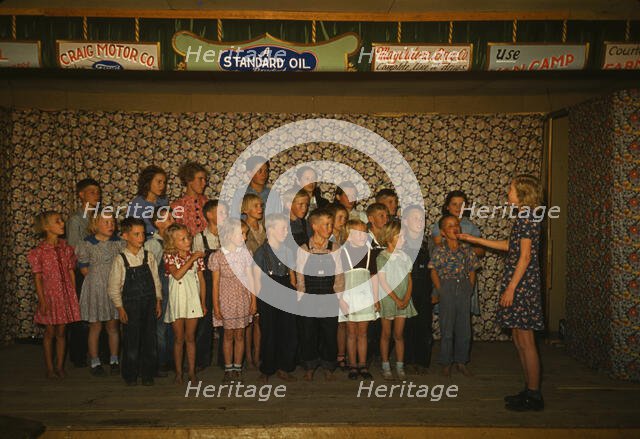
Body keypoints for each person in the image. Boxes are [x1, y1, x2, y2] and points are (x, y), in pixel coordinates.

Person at [458, 175, 545, 412]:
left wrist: (511, 288)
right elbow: (511, 247)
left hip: (522, 285)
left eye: (512, 188)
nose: (508, 192)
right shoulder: (524, 216)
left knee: (526, 341)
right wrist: (474, 239)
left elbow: (525, 257)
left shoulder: (527, 217)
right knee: (519, 339)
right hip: (520, 282)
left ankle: (534, 394)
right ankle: (529, 389)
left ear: (523, 193)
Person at [107, 218, 163, 386]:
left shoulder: (149, 256)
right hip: (130, 306)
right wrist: (120, 308)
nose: (141, 238)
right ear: (125, 236)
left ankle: (148, 374)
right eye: (136, 234)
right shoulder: (121, 259)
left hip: (149, 303)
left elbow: (155, 281)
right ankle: (130, 375)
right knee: (132, 341)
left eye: (142, 234)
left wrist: (158, 300)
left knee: (149, 340)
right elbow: (113, 287)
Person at [28, 211, 81, 379]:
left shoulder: (66, 249)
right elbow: (38, 278)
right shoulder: (39, 251)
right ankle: (50, 367)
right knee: (50, 333)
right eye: (57, 221)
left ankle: (60, 366)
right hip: (50, 297)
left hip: (65, 296)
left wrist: (73, 295)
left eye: (62, 220)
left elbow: (71, 272)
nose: (62, 223)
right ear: (46, 227)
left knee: (61, 333)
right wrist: (42, 300)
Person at [296, 208, 345, 381]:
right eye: (326, 224)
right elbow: (300, 275)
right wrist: (300, 298)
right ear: (314, 226)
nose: (330, 228)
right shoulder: (304, 249)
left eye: (331, 224)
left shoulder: (335, 248)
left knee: (329, 333)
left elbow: (339, 275)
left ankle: (328, 365)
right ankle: (309, 366)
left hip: (329, 297)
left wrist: (339, 298)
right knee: (308, 332)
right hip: (309, 297)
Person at [430, 215, 480, 378]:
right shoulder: (439, 250)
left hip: (463, 287)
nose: (455, 228)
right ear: (443, 232)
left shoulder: (467, 249)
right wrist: (441, 290)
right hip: (447, 287)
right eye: (450, 226)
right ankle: (446, 362)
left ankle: (461, 361)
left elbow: (472, 269)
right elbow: (434, 271)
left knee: (464, 328)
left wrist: (470, 287)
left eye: (456, 225)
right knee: (447, 328)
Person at [76, 209, 125, 377]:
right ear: (95, 224)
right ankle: (95, 361)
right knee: (95, 327)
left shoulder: (119, 243)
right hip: (95, 289)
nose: (110, 225)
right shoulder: (87, 244)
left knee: (113, 326)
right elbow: (83, 267)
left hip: (114, 288)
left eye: (112, 222)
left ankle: (114, 359)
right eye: (106, 222)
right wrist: (96, 282)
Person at [253, 214, 298, 383]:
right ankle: (267, 368)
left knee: (287, 331)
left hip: (285, 288)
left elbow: (291, 275)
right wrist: (258, 301)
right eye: (283, 228)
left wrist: (294, 290)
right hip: (268, 290)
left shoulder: (287, 251)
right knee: (269, 331)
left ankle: (284, 367)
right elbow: (257, 278)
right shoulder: (261, 252)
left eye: (286, 228)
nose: (286, 231)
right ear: (270, 230)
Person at [210, 219, 256, 382]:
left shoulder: (246, 253)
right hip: (225, 300)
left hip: (242, 299)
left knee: (240, 334)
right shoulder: (218, 256)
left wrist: (253, 301)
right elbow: (215, 284)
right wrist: (216, 306)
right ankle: (228, 368)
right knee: (228, 335)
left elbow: (251, 279)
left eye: (245, 234)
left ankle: (238, 367)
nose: (244, 238)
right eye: (241, 234)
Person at [163, 223, 206, 384]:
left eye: (188, 237)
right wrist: (192, 258)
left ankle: (192, 372)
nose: (187, 241)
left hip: (193, 300)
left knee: (190, 337)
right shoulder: (169, 256)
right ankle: (179, 372)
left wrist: (202, 302)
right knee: (178, 338)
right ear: (172, 242)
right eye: (182, 239)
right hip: (177, 301)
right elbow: (177, 275)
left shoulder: (197, 258)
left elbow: (202, 281)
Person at [431, 190, 485, 316]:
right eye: (454, 204)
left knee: (463, 315)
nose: (458, 207)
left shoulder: (471, 227)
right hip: (446, 275)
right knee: (447, 315)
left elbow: (481, 251)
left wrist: (465, 250)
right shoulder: (439, 225)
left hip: (466, 275)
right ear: (447, 206)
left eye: (461, 204)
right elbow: (438, 246)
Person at [66, 178, 101, 368]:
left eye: (97, 192)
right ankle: (78, 355)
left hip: (99, 270)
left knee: (99, 311)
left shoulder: (100, 217)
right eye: (92, 192)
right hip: (82, 270)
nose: (97, 195)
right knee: (81, 313)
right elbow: (74, 248)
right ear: (81, 195)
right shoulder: (76, 220)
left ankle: (99, 352)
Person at [338, 219, 379, 380]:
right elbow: (338, 279)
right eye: (358, 233)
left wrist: (376, 298)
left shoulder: (371, 253)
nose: (363, 236)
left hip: (365, 298)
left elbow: (374, 277)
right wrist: (340, 300)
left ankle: (362, 364)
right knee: (351, 333)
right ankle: (352, 365)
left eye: (364, 232)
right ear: (348, 236)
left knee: (363, 333)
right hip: (348, 298)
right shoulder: (341, 253)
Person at [377, 221, 417, 380]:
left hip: (403, 301)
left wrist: (406, 298)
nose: (404, 239)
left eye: (404, 237)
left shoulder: (405, 257)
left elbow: (409, 279)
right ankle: (385, 365)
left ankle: (400, 366)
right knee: (386, 334)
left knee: (399, 335)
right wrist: (396, 299)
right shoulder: (382, 257)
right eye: (400, 237)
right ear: (388, 238)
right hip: (388, 300)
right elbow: (383, 282)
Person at [192, 200, 227, 371]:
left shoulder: (228, 236)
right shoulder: (200, 238)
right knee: (205, 323)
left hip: (226, 284)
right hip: (207, 283)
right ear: (209, 215)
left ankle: (225, 360)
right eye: (221, 212)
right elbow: (198, 267)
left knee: (225, 324)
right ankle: (201, 360)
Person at [402, 205, 434, 374]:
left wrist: (435, 291)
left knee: (424, 326)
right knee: (406, 327)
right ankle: (407, 360)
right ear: (405, 221)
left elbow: (435, 271)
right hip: (405, 291)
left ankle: (422, 361)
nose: (420, 222)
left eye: (422, 218)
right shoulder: (400, 243)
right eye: (415, 218)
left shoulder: (428, 243)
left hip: (424, 291)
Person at [144, 206, 175, 377]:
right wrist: (156, 295)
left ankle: (171, 358)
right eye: (168, 219)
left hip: (173, 290)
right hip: (160, 290)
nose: (172, 221)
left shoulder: (174, 241)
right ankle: (161, 360)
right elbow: (151, 271)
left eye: (173, 218)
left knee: (172, 326)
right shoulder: (152, 244)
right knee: (161, 327)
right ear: (157, 223)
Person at [128, 165, 169, 239]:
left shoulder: (164, 200)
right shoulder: (137, 203)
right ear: (148, 182)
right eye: (159, 182)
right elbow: (132, 230)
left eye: (164, 182)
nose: (162, 186)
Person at [171, 161, 208, 236]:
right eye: (200, 179)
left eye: (205, 179)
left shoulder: (207, 203)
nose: (204, 183)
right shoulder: (176, 206)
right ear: (189, 180)